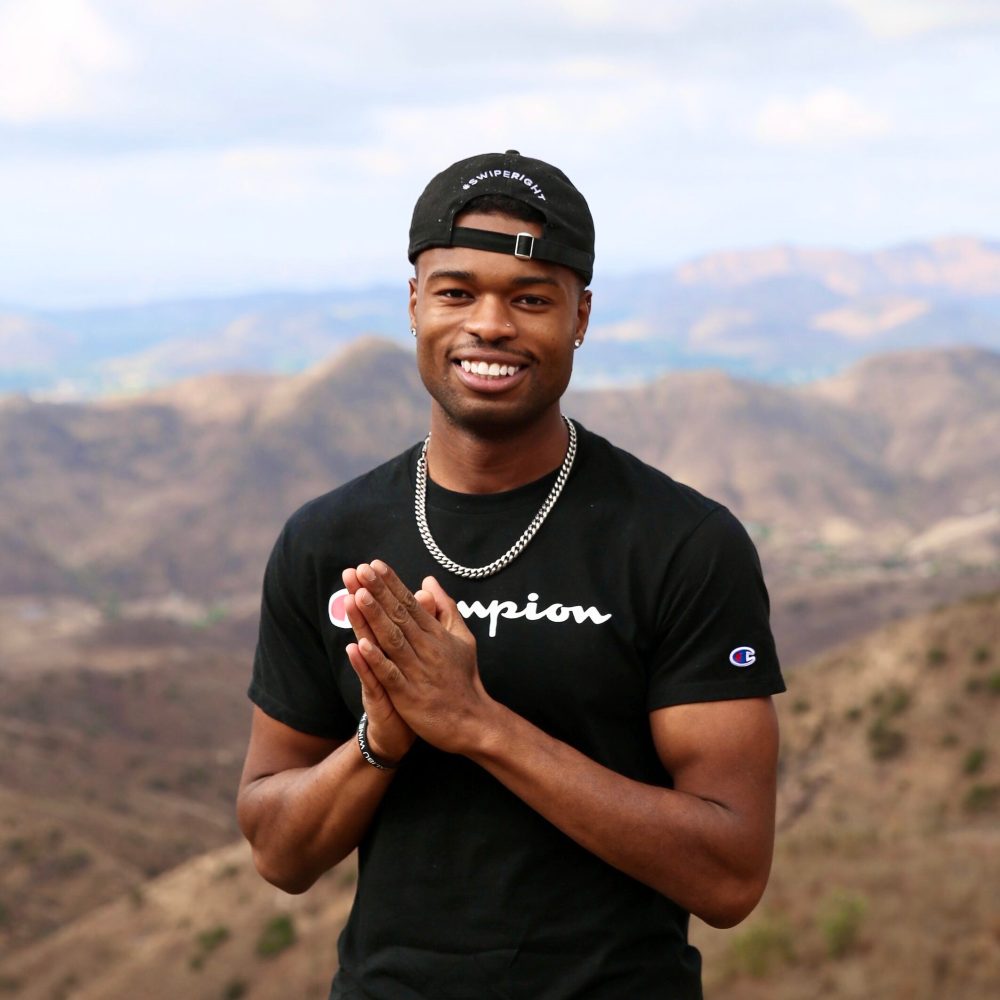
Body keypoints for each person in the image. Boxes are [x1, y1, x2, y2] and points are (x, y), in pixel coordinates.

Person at [237, 150, 785, 999]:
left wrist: (477, 722)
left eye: (530, 298)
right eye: (457, 291)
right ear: (415, 303)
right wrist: (382, 737)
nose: (489, 324)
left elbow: (730, 876)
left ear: (581, 317)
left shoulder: (682, 544)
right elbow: (279, 852)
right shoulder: (326, 538)